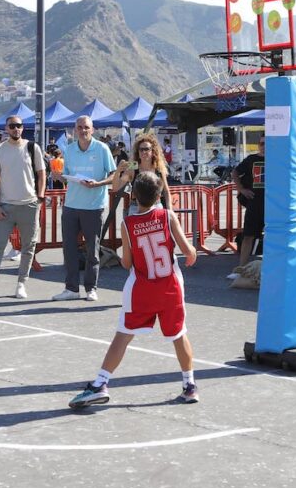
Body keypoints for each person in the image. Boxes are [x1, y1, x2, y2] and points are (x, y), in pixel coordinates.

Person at [69, 171, 200, 408]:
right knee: (178, 334)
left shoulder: (128, 224)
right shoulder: (167, 216)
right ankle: (189, 386)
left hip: (142, 288)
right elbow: (187, 251)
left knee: (123, 335)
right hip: (169, 286)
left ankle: (100, 383)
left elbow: (127, 263)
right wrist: (191, 253)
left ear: (134, 197)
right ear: (159, 195)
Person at [0, 116, 46, 301]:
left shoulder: (33, 147)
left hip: (29, 204)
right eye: (12, 126)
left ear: (22, 128)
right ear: (6, 128)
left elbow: (41, 174)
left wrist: (40, 197)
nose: (16, 129)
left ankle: (22, 283)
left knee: (28, 246)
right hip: (5, 206)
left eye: (19, 125)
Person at [52, 116, 117, 301]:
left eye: (86, 127)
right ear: (75, 130)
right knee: (69, 249)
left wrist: (98, 183)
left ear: (92, 129)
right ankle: (71, 289)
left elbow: (114, 175)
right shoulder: (69, 150)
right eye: (80, 127)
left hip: (94, 206)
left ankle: (91, 288)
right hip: (71, 205)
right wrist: (59, 177)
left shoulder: (102, 148)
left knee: (92, 249)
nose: (83, 130)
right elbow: (68, 176)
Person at [229, 137, 266, 280]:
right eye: (262, 143)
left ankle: (271, 269)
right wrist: (241, 189)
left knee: (273, 237)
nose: (264, 146)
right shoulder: (251, 159)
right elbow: (235, 172)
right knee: (248, 236)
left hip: (273, 205)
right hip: (254, 204)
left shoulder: (278, 158)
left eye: (268, 143)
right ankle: (241, 268)